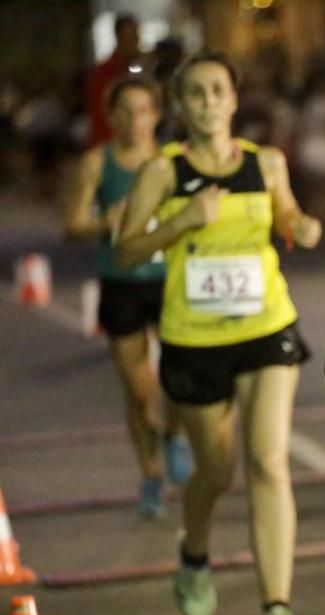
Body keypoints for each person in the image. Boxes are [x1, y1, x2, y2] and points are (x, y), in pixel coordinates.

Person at [115, 52, 321, 615]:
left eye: (218, 92)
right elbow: (125, 252)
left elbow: (287, 216)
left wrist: (301, 227)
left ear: (233, 100)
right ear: (181, 106)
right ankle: (195, 552)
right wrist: (181, 224)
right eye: (196, 94)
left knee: (266, 462)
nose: (209, 103)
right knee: (215, 472)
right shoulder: (163, 171)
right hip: (194, 339)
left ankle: (277, 610)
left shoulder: (267, 163)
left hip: (266, 327)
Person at [63, 76, 191, 519]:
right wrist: (108, 221)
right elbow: (72, 224)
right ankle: (152, 474)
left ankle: (174, 434)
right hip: (120, 283)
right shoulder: (97, 163)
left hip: (169, 281)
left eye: (142, 111)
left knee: (179, 382)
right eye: (124, 111)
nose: (133, 121)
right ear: (110, 116)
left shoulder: (172, 161)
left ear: (156, 115)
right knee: (138, 394)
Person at [86, 13, 144, 146]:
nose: (135, 42)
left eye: (136, 37)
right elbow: (101, 115)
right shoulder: (102, 73)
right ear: (118, 37)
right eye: (129, 37)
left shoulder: (142, 69)